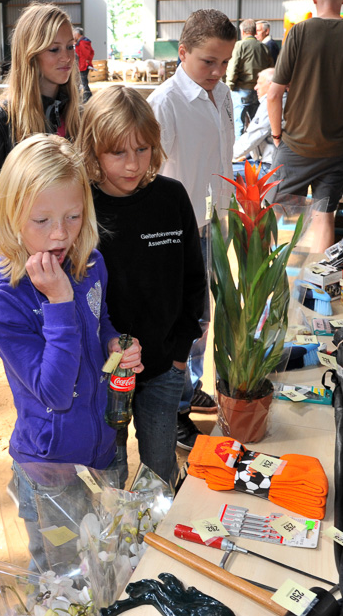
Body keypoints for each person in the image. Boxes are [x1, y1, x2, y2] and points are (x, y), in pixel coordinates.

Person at [0, 134, 143, 566]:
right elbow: (53, 390)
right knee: (61, 574)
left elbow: (100, 321)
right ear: (11, 217)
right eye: (42, 220)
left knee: (104, 557)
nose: (60, 233)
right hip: (51, 465)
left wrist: (114, 344)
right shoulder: (1, 299)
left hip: (104, 444)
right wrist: (59, 302)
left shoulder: (87, 262)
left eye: (73, 216)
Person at [79, 85, 205, 488]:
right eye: (118, 152)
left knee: (159, 470)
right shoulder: (80, 209)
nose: (133, 164)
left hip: (164, 367)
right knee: (107, 474)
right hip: (103, 373)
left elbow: (193, 279)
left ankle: (157, 539)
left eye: (143, 149)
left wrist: (181, 353)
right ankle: (115, 549)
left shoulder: (171, 197)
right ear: (93, 150)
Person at [148, 8, 238, 449]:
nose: (218, 71)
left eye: (225, 62)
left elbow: (223, 159)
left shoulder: (222, 95)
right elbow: (146, 173)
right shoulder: (165, 104)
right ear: (182, 53)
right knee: (183, 322)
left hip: (212, 223)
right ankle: (174, 408)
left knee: (202, 318)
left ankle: (187, 390)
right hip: (178, 232)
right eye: (208, 62)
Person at [267, 0, 343, 251]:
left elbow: (273, 94)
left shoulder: (298, 32)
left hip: (295, 144)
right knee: (324, 217)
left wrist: (277, 136)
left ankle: (275, 284)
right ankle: (318, 284)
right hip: (336, 149)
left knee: (278, 216)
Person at [0, 2, 82, 235]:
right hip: (23, 263)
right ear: (30, 54)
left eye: (70, 47)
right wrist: (19, 253)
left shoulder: (79, 116)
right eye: (54, 49)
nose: (67, 57)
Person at [233, 68, 286, 174]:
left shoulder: (272, 103)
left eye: (259, 83)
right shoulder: (284, 98)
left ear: (271, 85)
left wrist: (227, 156)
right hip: (274, 163)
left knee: (222, 172)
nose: (255, 87)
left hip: (270, 167)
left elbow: (254, 134)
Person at [226, 19, 273, 137]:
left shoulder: (240, 45)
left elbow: (233, 66)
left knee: (239, 123)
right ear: (254, 31)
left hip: (241, 90)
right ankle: (255, 153)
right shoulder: (263, 47)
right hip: (259, 91)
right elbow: (270, 68)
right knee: (256, 123)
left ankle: (239, 153)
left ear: (242, 32)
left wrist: (229, 85)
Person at [73, 25, 94, 102]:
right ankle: (87, 97)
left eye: (74, 34)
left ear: (78, 34)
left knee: (83, 82)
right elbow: (91, 52)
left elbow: (86, 54)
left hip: (83, 66)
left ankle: (87, 97)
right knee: (83, 82)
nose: (73, 36)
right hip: (83, 65)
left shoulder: (82, 42)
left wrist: (86, 62)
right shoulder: (82, 41)